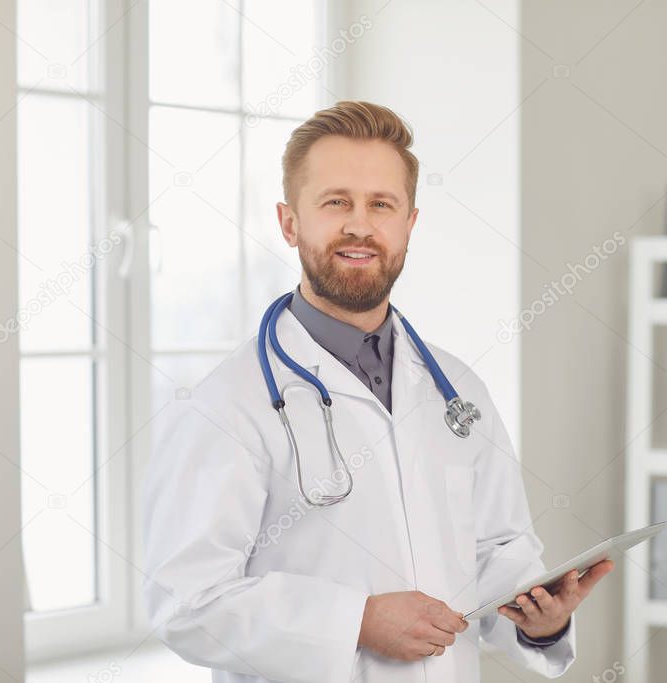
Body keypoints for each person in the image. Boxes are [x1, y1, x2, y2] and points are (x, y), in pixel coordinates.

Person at [143, 100, 613, 683]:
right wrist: (355, 622)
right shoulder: (227, 404)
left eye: (381, 205)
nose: (360, 225)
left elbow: (498, 548)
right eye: (336, 201)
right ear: (289, 222)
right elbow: (186, 602)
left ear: (409, 224)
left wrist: (539, 621)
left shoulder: (456, 389)